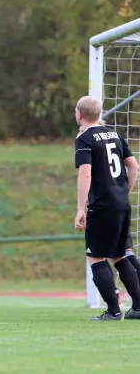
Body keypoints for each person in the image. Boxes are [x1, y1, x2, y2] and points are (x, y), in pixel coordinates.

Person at [74, 96, 140, 321]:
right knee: (120, 255)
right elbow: (134, 167)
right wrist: (124, 191)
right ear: (99, 113)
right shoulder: (114, 134)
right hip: (122, 202)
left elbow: (85, 172)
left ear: (79, 115)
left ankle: (113, 311)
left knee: (96, 257)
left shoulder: (84, 138)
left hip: (102, 205)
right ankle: (138, 307)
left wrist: (80, 208)